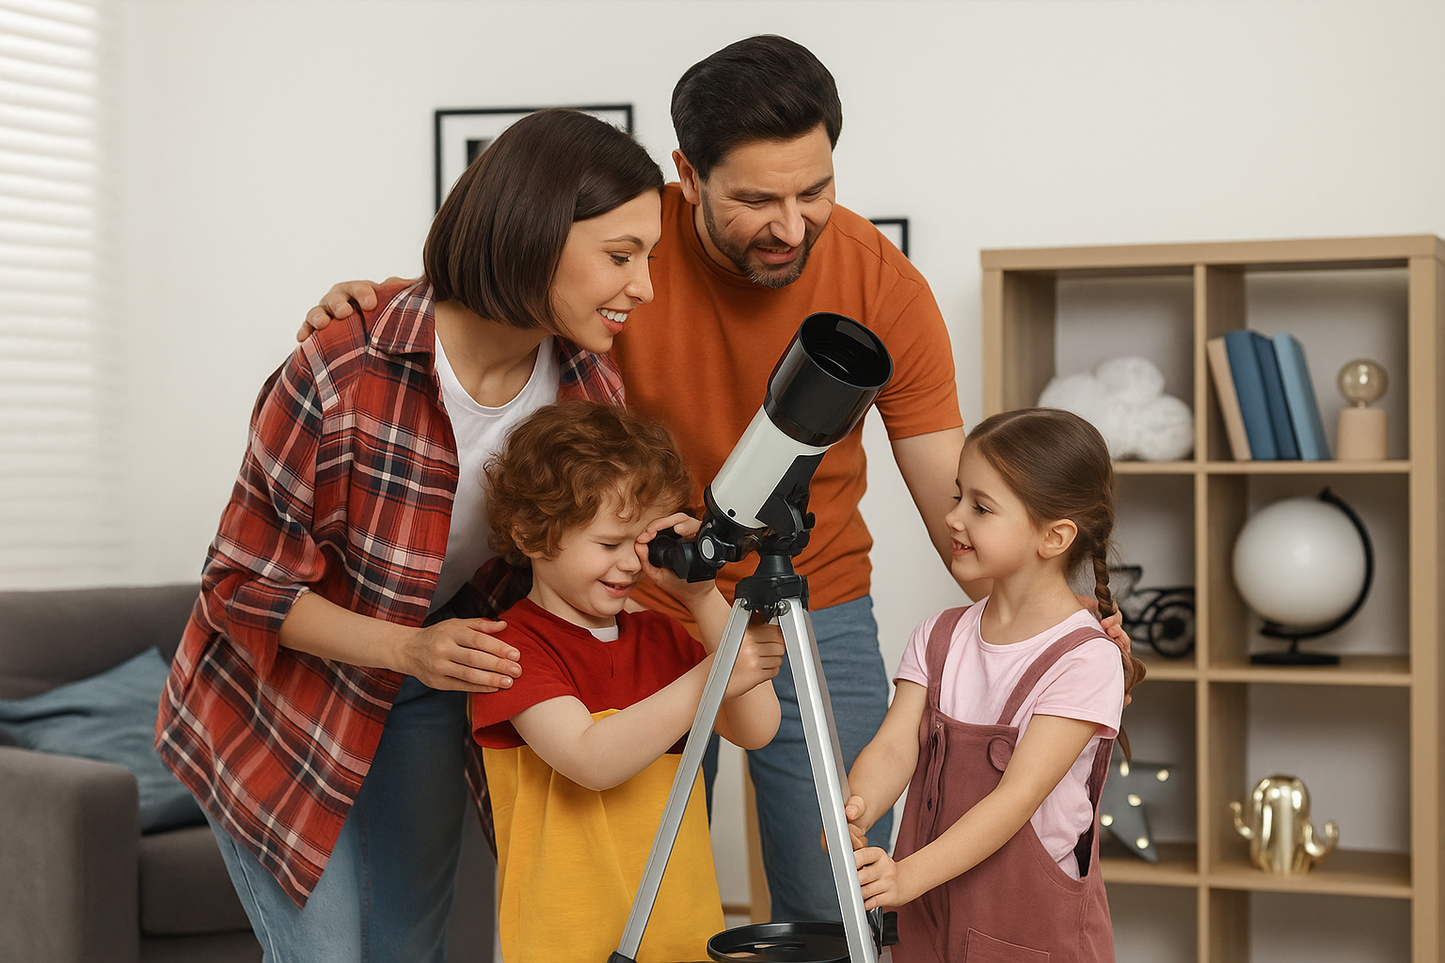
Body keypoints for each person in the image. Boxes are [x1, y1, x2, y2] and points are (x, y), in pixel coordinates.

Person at [300, 35, 968, 923]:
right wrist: (385, 303)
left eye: (815, 190)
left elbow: (955, 504)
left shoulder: (881, 285)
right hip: (630, 601)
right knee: (642, 889)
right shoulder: (616, 257)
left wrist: (1062, 610)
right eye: (756, 199)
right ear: (687, 173)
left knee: (838, 888)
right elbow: (484, 309)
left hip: (811, 600)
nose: (792, 224)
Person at [154, 109, 665, 962]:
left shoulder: (588, 393)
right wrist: (410, 650)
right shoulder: (340, 369)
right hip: (277, 699)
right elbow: (240, 586)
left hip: (426, 691)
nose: (644, 286)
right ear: (534, 236)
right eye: (621, 255)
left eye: (647, 256)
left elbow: (583, 566)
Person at [470, 400, 782, 963]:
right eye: (609, 544)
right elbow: (592, 761)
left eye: (641, 542)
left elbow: (757, 728)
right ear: (531, 533)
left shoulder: (659, 634)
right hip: (568, 939)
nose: (631, 564)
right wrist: (715, 672)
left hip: (680, 930)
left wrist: (699, 594)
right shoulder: (510, 647)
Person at [841, 408, 1149, 963]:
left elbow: (1016, 798)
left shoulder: (1084, 659)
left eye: (981, 507)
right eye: (958, 496)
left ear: (1054, 537)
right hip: (928, 920)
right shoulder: (939, 635)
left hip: (1028, 931)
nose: (954, 517)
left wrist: (906, 877)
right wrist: (856, 813)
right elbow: (895, 744)